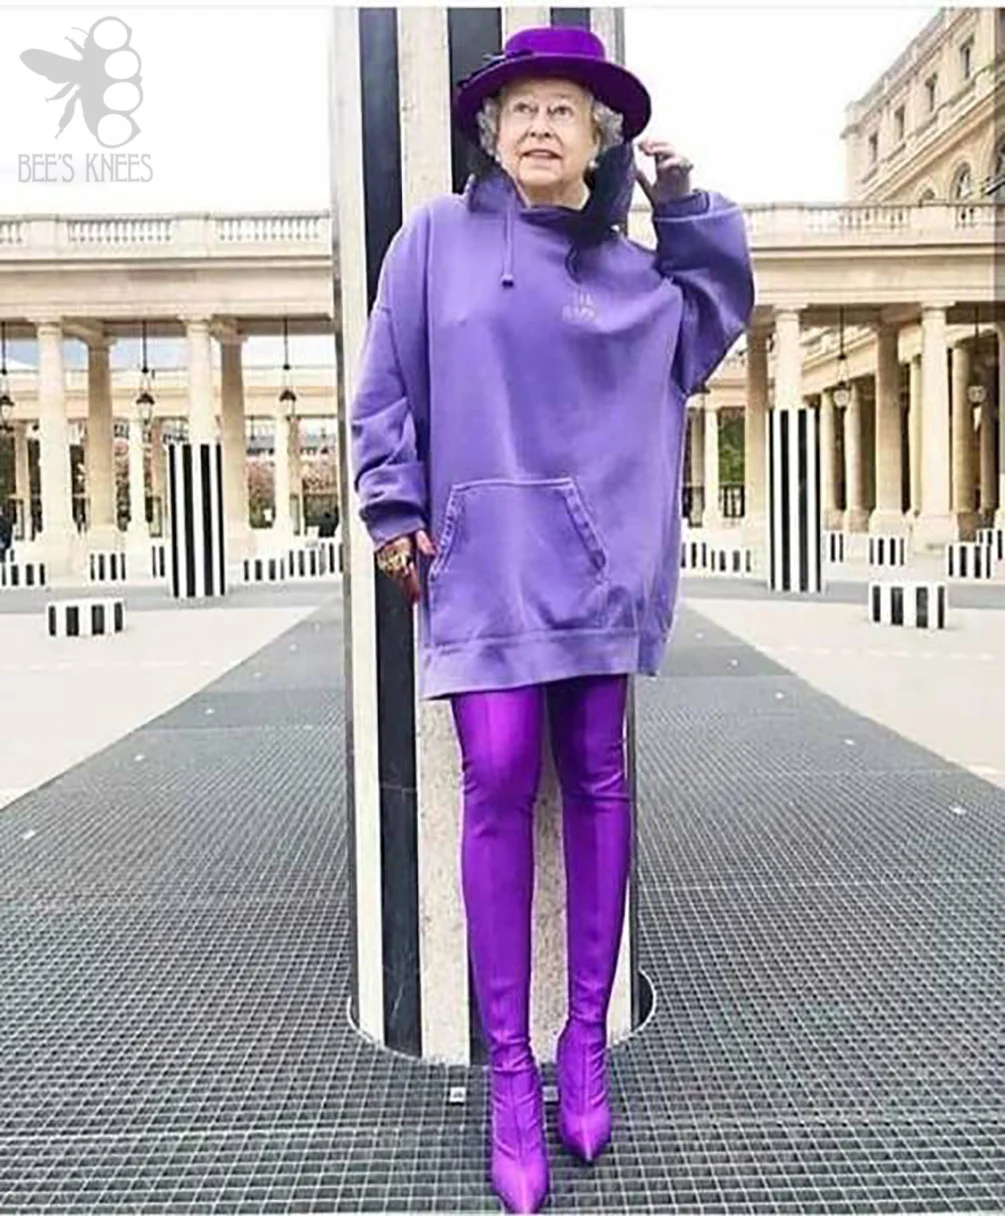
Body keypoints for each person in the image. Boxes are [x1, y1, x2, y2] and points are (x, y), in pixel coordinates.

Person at [350, 26, 754, 1214]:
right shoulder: (434, 240)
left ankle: (583, 1042)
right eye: (519, 107)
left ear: (597, 137)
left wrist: (683, 202)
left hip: (596, 569)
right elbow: (383, 385)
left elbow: (710, 318)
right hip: (482, 562)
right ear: (490, 131)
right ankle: (511, 1076)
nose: (538, 125)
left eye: (563, 110)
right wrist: (391, 509)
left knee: (596, 776)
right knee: (499, 773)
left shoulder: (628, 273)